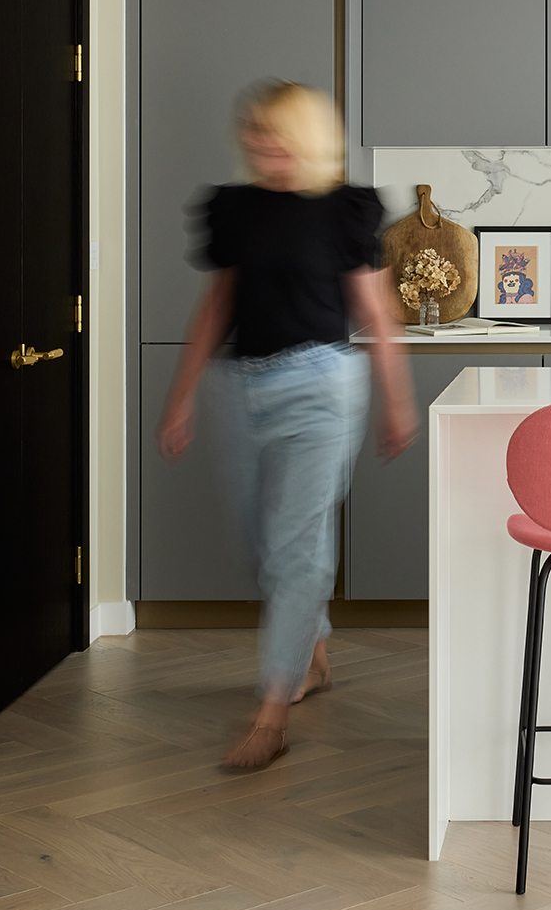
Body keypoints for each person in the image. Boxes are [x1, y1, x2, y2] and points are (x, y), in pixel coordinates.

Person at [157, 81, 416, 769]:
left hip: (322, 388)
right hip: (241, 387)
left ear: (305, 138)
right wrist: (181, 396)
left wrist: (399, 400)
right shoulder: (234, 208)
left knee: (297, 546)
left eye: (274, 132)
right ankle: (314, 653)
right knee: (261, 541)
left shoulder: (344, 210)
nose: (258, 144)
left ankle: (270, 715)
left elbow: (377, 312)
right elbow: (217, 306)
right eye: (252, 132)